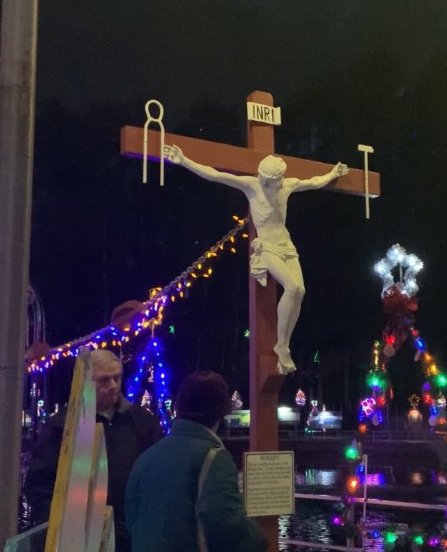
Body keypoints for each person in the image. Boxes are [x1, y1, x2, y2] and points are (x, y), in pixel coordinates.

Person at [163, 144, 349, 375]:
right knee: (292, 287)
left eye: (281, 178)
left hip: (287, 246)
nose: (280, 182)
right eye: (277, 179)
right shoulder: (252, 186)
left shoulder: (287, 186)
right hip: (267, 247)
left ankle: (284, 344)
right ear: (266, 179)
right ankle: (282, 346)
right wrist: (184, 161)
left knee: (300, 290)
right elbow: (215, 175)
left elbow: (313, 182)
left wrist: (332, 173)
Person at [22, 349, 162, 552]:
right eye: (104, 380)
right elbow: (40, 484)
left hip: (131, 534)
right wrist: (60, 526)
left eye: (117, 378)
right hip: (80, 536)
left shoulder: (141, 422)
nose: (113, 386)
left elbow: (156, 476)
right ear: (86, 382)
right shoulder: (63, 426)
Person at [124, 371, 267, 552]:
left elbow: (132, 518)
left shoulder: (146, 458)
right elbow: (227, 525)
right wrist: (258, 539)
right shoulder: (213, 457)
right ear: (221, 412)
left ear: (178, 406)